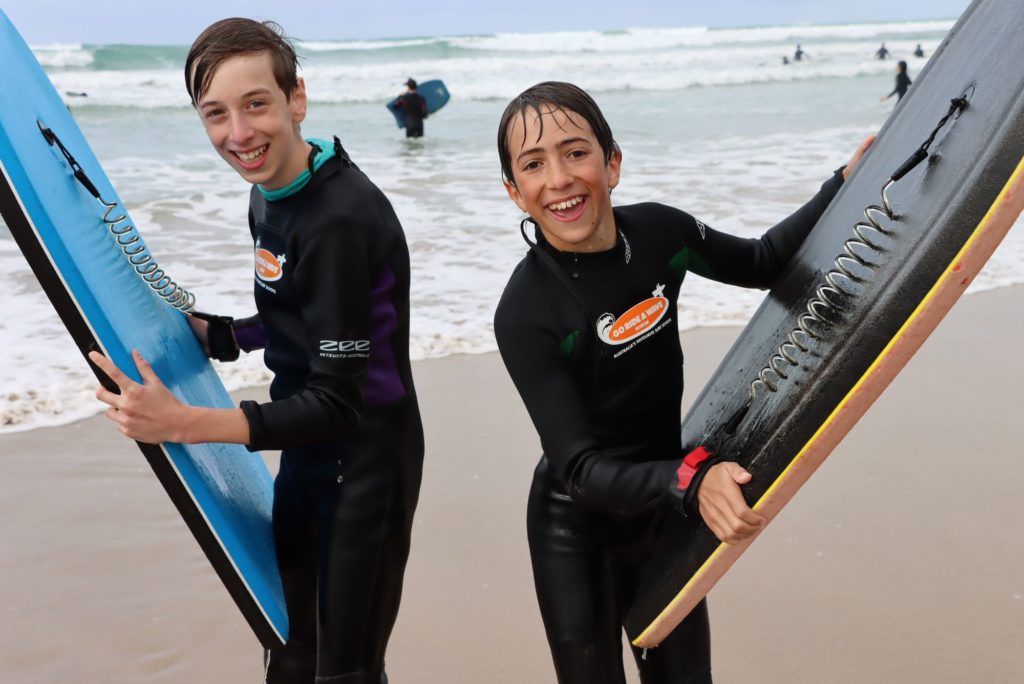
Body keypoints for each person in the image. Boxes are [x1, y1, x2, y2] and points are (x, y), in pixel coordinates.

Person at [492, 81, 873, 684]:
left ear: (612, 163)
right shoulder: (526, 313)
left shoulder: (660, 236)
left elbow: (762, 262)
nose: (559, 178)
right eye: (534, 165)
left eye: (576, 152)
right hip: (576, 530)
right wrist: (692, 480)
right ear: (515, 192)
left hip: (663, 511)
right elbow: (580, 468)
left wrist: (843, 183)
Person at [88, 18, 424, 684]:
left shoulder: (340, 219)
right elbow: (298, 308)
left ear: (297, 98)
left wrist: (186, 424)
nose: (238, 134)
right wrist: (225, 336)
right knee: (292, 650)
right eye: (215, 114)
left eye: (256, 105)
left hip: (363, 463)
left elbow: (337, 399)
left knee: (344, 669)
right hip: (307, 452)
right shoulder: (269, 194)